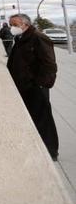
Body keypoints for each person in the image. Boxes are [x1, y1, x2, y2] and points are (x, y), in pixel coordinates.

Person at [6, 13, 59, 160]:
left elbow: (49, 64)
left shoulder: (38, 38)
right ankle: (38, 147)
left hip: (35, 87)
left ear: (25, 24)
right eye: (11, 24)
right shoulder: (21, 38)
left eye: (15, 25)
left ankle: (50, 151)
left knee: (43, 118)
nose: (12, 28)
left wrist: (42, 84)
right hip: (24, 85)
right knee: (33, 117)